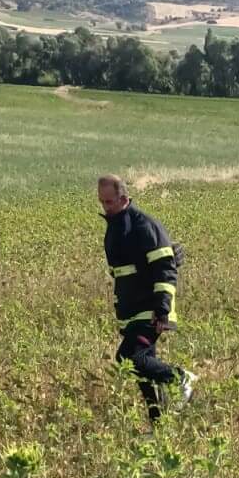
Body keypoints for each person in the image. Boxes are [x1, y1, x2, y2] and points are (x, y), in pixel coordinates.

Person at [98, 174, 196, 423]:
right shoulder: (115, 228)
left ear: (124, 198)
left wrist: (162, 310)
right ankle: (158, 423)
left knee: (131, 359)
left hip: (150, 309)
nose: (105, 207)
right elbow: (121, 273)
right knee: (140, 368)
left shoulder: (143, 225)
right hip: (132, 310)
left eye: (109, 202)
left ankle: (181, 378)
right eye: (102, 202)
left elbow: (165, 269)